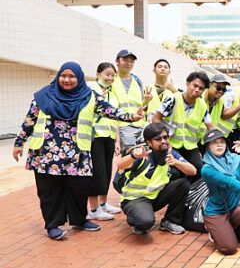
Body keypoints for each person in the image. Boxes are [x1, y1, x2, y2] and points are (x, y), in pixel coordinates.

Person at [12, 62, 142, 240]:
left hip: (77, 152)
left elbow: (108, 110)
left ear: (79, 78)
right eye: (63, 75)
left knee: (79, 188)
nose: (67, 79)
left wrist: (131, 116)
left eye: (72, 76)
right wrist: (19, 142)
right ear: (58, 77)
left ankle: (79, 220)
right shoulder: (43, 96)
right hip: (46, 153)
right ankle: (53, 225)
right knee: (50, 191)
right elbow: (30, 120)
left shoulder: (89, 96)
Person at [117, 123, 195, 235]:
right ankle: (136, 218)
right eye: (158, 139)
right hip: (135, 199)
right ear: (149, 142)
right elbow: (120, 165)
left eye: (165, 137)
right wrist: (133, 156)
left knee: (182, 184)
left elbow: (193, 171)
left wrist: (177, 162)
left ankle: (169, 221)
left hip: (155, 196)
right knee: (145, 222)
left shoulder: (169, 153)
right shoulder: (143, 153)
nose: (163, 141)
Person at [152, 71, 216, 181]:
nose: (197, 90)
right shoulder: (173, 99)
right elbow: (156, 119)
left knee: (199, 170)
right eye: (195, 86)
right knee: (174, 172)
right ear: (187, 84)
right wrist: (164, 141)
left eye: (201, 88)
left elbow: (211, 127)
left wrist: (221, 145)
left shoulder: (202, 105)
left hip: (190, 146)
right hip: (171, 145)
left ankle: (190, 196)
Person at [86, 63, 123, 221]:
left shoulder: (112, 93)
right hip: (94, 136)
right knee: (97, 172)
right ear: (98, 73)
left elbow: (114, 118)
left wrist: (117, 141)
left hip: (108, 136)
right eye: (107, 74)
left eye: (113, 75)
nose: (110, 78)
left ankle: (103, 204)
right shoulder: (90, 88)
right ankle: (93, 210)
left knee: (107, 171)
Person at [113, 49, 148, 148]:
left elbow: (142, 104)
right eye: (125, 60)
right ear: (117, 61)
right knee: (130, 157)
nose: (128, 63)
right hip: (122, 126)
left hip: (140, 125)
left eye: (131, 61)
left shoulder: (137, 80)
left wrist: (147, 101)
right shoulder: (111, 79)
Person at [205, 74, 240, 138]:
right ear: (209, 85)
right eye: (218, 88)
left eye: (224, 89)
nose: (221, 91)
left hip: (208, 138)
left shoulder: (220, 102)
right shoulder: (200, 99)